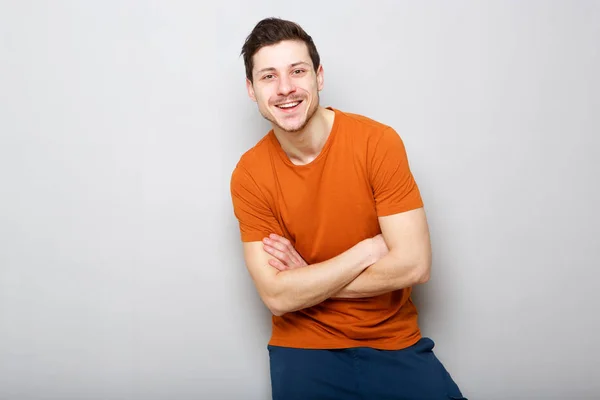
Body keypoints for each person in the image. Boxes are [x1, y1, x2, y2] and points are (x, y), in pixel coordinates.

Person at [229, 17, 467, 400]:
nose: (285, 88)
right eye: (269, 77)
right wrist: (365, 252)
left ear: (319, 76)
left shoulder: (377, 143)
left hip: (392, 337)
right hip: (303, 343)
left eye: (297, 71)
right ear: (251, 89)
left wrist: (307, 279)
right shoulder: (249, 175)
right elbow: (277, 297)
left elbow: (415, 265)